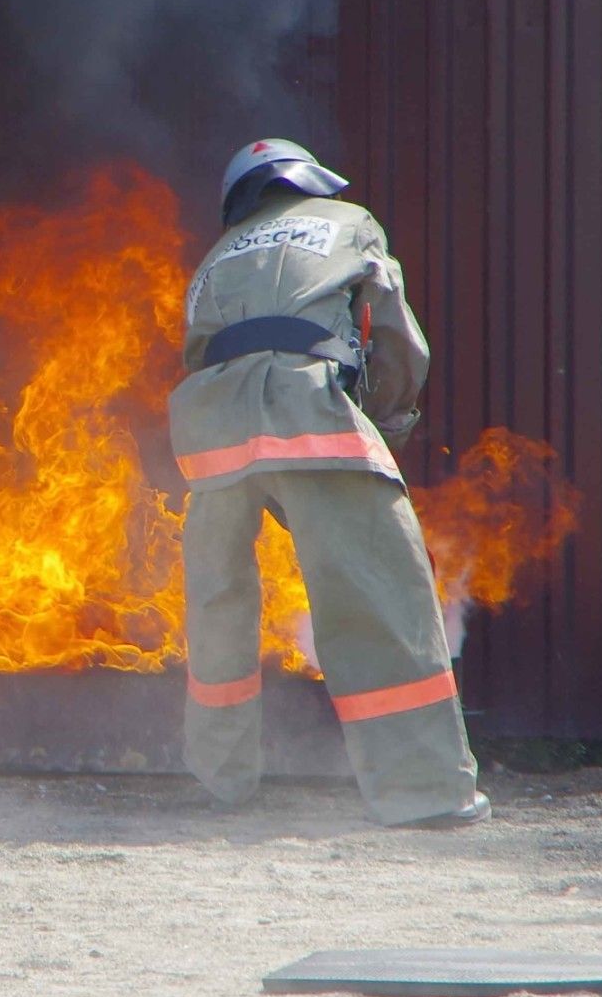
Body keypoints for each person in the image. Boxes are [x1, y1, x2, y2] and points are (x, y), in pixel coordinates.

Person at [168, 138, 488, 826]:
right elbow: (396, 338)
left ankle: (222, 779)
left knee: (218, 605)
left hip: (211, 431)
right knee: (378, 595)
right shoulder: (348, 222)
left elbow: (196, 351)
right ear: (307, 181)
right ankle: (425, 791)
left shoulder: (212, 260)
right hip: (308, 405)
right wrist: (385, 426)